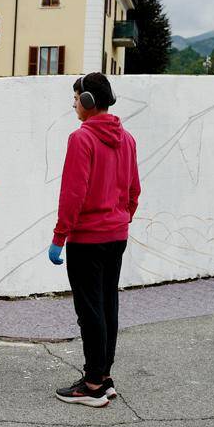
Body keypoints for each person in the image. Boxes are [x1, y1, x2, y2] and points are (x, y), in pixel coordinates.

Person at [48, 73, 140, 408]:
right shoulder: (126, 138)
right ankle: (104, 374)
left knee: (89, 309)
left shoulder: (81, 138)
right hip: (117, 235)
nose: (73, 104)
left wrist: (60, 235)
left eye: (75, 98)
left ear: (87, 100)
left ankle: (93, 384)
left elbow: (73, 192)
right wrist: (122, 217)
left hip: (88, 237)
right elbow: (134, 189)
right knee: (107, 305)